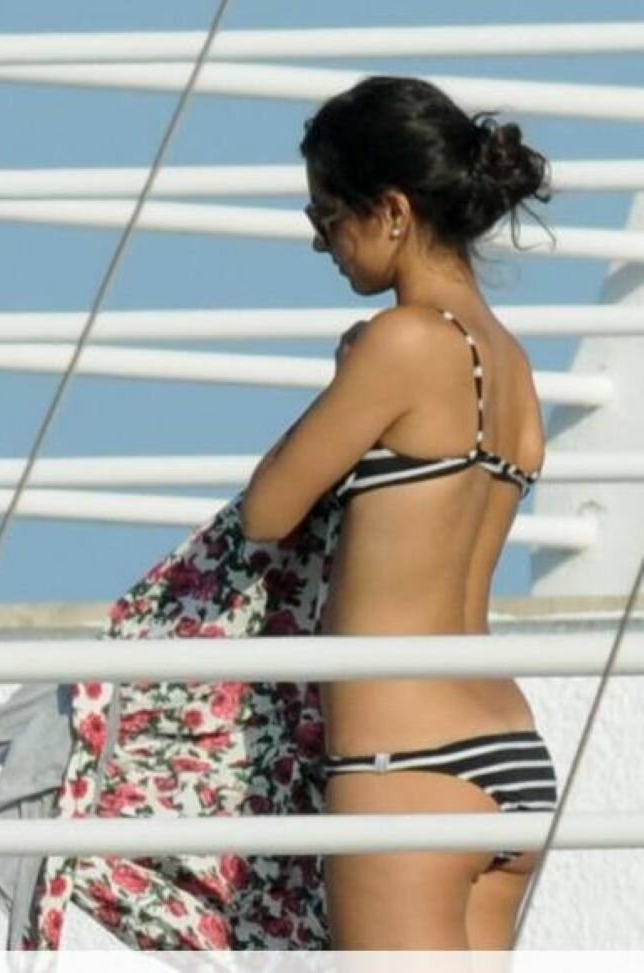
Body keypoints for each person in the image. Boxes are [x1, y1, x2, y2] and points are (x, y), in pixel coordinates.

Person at [240, 76, 559, 950]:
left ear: (390, 212)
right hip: (508, 754)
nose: (321, 243)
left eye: (326, 216)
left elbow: (267, 510)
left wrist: (350, 368)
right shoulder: (513, 363)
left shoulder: (401, 343)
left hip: (406, 760)